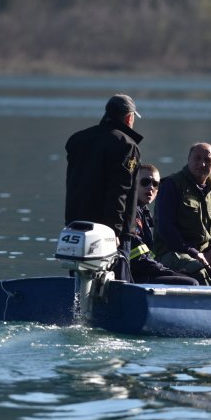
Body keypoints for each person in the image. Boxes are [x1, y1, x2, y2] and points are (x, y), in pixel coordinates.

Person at [64, 93, 142, 281]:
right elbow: (120, 192)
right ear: (129, 117)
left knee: (78, 283)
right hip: (108, 231)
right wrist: (113, 232)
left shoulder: (77, 139)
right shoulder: (126, 145)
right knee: (114, 283)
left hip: (76, 227)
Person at [152, 142, 211, 285]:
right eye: (197, 158)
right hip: (172, 253)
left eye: (208, 160)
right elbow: (166, 229)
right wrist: (195, 254)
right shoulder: (172, 185)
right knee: (198, 269)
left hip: (206, 253)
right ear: (188, 159)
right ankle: (207, 303)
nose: (202, 164)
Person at [129, 164, 199, 285]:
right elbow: (138, 259)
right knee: (192, 283)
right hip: (134, 276)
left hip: (144, 271)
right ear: (134, 183)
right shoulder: (131, 213)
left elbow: (147, 256)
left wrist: (170, 271)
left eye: (155, 184)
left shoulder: (143, 212)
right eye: (145, 182)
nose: (151, 187)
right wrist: (170, 272)